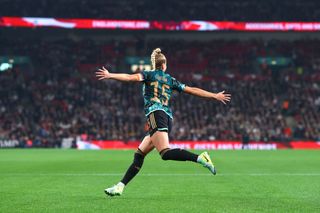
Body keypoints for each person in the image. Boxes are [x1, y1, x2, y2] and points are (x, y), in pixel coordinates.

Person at [95, 48, 231, 196]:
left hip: (156, 114)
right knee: (139, 155)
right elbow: (192, 89)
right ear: (164, 65)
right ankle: (120, 186)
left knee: (165, 153)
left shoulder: (148, 74)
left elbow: (130, 77)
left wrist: (110, 75)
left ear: (154, 64)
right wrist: (214, 95)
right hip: (166, 117)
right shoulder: (170, 79)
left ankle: (200, 158)